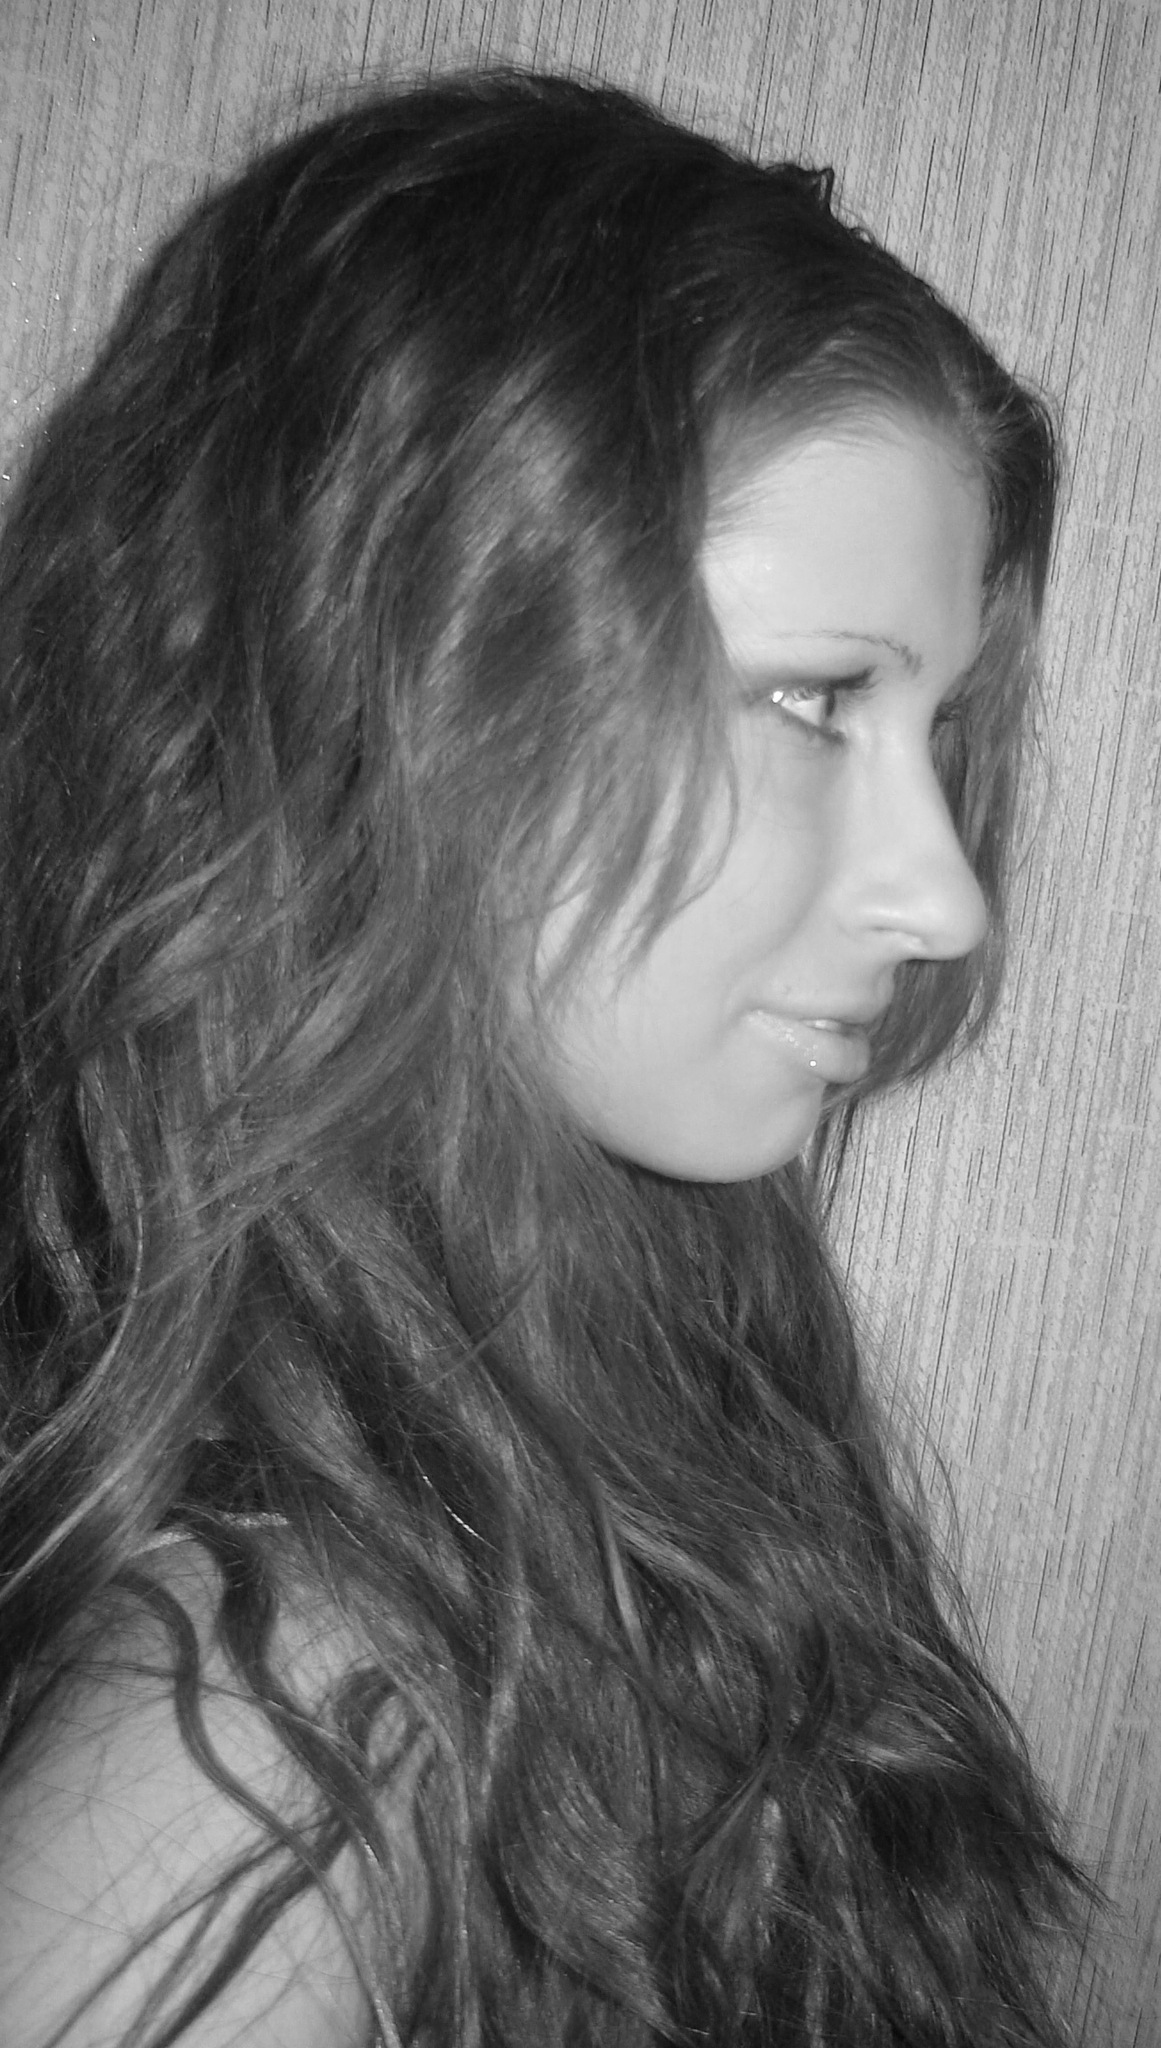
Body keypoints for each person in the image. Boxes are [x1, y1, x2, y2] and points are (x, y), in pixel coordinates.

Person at [0, 68, 1086, 2048]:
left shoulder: (652, 1351)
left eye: (932, 735)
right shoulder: (241, 1751)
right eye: (813, 701)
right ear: (384, 677)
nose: (942, 899)